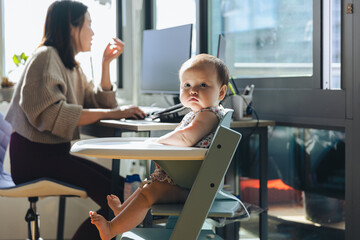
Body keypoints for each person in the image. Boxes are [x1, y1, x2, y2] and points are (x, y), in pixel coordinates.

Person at [5, 1, 145, 240]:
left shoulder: (71, 65)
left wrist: (105, 65)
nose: (92, 32)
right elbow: (55, 115)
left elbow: (98, 102)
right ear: (72, 26)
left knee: (125, 193)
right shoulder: (46, 57)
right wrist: (113, 114)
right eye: (89, 24)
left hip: (52, 155)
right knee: (122, 196)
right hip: (34, 159)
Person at [89, 53, 229, 240]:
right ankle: (123, 211)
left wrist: (156, 142)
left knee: (149, 192)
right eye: (187, 85)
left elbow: (186, 137)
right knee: (146, 187)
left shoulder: (208, 115)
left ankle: (112, 228)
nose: (193, 91)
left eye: (203, 85)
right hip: (187, 181)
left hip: (192, 187)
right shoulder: (198, 114)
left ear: (221, 92)